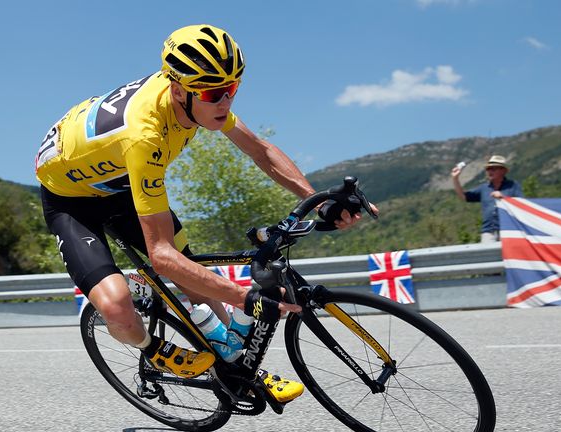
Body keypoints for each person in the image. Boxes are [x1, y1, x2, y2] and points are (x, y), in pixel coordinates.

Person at [35, 24, 372, 404]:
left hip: (119, 183)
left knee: (194, 276)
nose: (225, 102)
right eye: (215, 94)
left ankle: (243, 367)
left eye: (233, 89)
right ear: (179, 90)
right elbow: (162, 256)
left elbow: (260, 151)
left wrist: (319, 200)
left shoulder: (198, 98)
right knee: (117, 306)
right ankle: (152, 348)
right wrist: (246, 299)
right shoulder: (146, 135)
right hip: (71, 200)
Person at [451, 155, 523, 243]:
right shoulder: (484, 188)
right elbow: (463, 196)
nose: (490, 171)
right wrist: (455, 178)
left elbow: (521, 205)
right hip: (488, 232)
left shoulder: (513, 186)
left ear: (503, 171)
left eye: (493, 169)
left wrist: (503, 197)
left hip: (509, 231)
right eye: (488, 169)